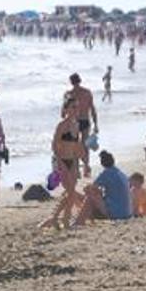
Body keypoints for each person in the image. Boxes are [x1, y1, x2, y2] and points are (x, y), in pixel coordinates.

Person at [40, 96, 87, 229]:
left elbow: (77, 145)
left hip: (73, 160)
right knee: (71, 192)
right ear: (66, 109)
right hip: (61, 160)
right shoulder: (62, 125)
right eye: (73, 107)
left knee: (70, 193)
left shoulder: (76, 125)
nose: (76, 110)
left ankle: (58, 219)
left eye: (77, 107)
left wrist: (84, 162)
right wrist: (60, 164)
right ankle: (63, 220)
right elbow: (54, 145)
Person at [73, 150, 132, 226]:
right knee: (95, 195)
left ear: (102, 163)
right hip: (127, 211)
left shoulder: (106, 173)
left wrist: (88, 189)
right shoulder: (121, 173)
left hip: (117, 213)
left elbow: (91, 188)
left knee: (90, 197)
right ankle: (85, 218)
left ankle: (79, 222)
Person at [65, 73, 100, 177]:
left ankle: (76, 170)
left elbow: (64, 112)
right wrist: (96, 123)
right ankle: (86, 168)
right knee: (85, 146)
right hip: (85, 120)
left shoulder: (68, 94)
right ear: (80, 80)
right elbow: (92, 109)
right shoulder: (87, 92)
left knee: (74, 146)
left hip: (74, 122)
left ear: (71, 82)